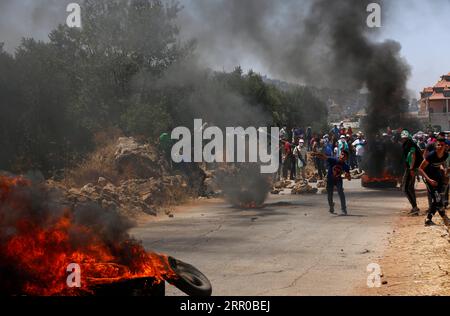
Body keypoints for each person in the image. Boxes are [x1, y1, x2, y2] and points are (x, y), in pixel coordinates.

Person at [418, 138, 450, 226]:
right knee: (437, 199)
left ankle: (442, 217)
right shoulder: (431, 155)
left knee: (439, 199)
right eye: (438, 145)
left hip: (438, 177)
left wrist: (444, 172)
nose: (439, 146)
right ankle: (429, 219)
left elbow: (441, 164)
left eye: (441, 145)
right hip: (429, 178)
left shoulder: (445, 155)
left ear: (445, 147)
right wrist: (429, 180)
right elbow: (420, 169)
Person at [313, 150, 351, 216]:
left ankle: (344, 209)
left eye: (344, 156)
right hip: (330, 180)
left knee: (341, 193)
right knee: (329, 195)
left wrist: (347, 176)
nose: (342, 156)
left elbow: (349, 178)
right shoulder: (333, 160)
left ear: (346, 158)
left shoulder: (346, 166)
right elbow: (324, 157)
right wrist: (316, 154)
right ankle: (331, 206)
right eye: (341, 154)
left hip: (338, 180)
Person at [400, 130, 423, 216]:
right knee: (410, 187)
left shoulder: (409, 144)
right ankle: (414, 207)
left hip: (411, 168)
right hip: (411, 167)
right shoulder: (410, 143)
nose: (403, 139)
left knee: (405, 188)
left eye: (404, 138)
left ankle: (415, 207)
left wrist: (412, 169)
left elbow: (413, 156)